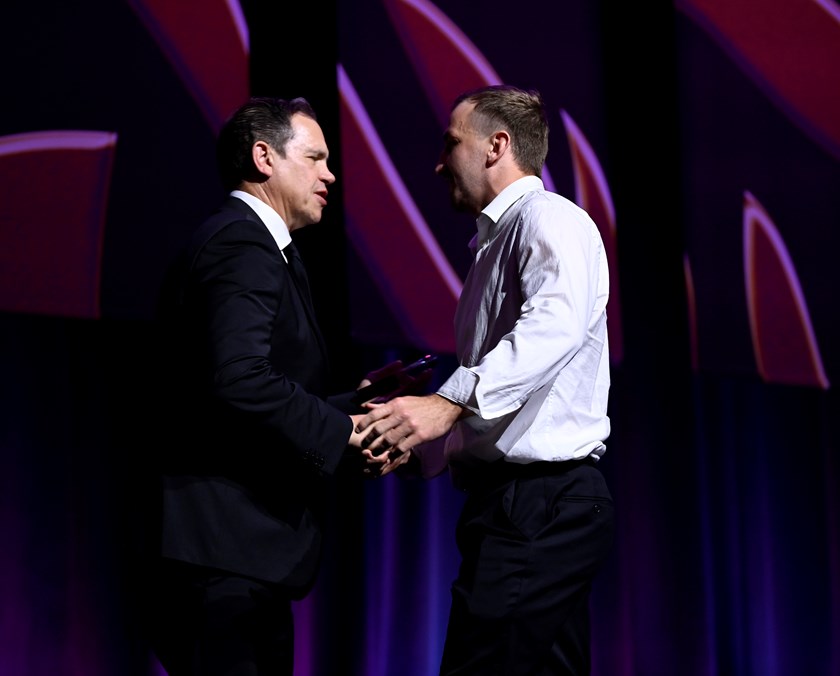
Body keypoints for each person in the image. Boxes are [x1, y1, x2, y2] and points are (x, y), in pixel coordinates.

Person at [143, 96, 407, 676]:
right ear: (264, 157)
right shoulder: (243, 245)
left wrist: (354, 404)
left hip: (237, 556)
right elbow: (238, 380)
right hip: (220, 554)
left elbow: (244, 386)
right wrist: (345, 433)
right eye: (314, 158)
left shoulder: (261, 248)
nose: (329, 174)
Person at [356, 84, 615, 675]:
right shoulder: (491, 245)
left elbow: (554, 327)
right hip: (512, 505)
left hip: (544, 504)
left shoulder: (550, 218)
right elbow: (511, 401)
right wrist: (421, 444)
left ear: (498, 145)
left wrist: (446, 403)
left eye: (451, 143)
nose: (439, 161)